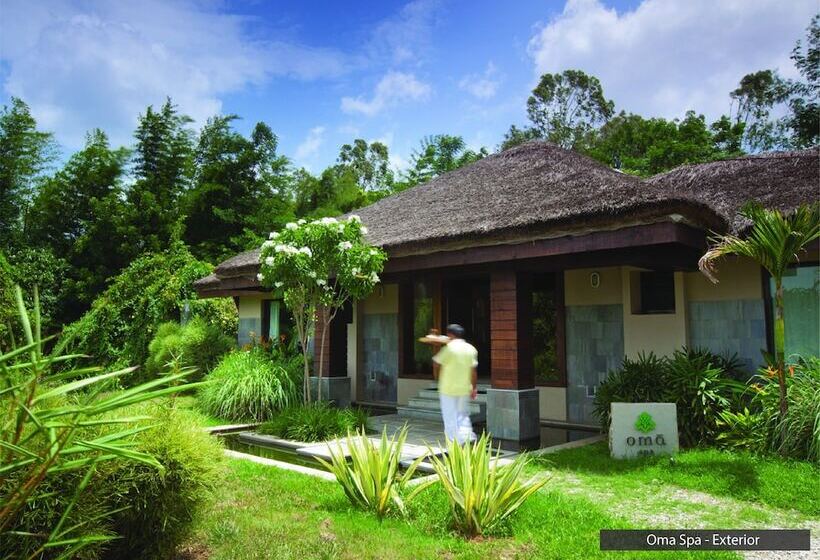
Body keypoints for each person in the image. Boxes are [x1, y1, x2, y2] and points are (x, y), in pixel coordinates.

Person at [432, 324, 477, 444]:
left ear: (450, 334)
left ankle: (453, 444)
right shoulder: (471, 349)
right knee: (463, 415)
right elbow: (473, 371)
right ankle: (468, 438)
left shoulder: (449, 348)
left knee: (450, 417)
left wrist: (437, 378)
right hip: (464, 388)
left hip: (448, 388)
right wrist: (474, 388)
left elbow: (436, 363)